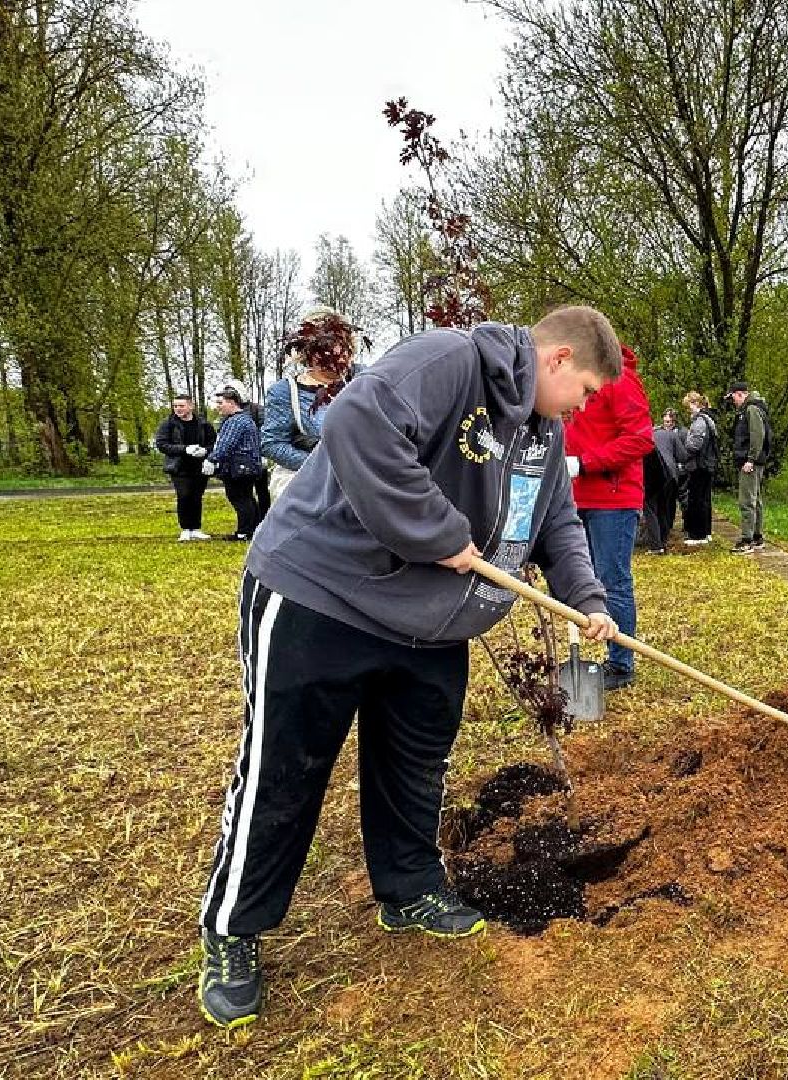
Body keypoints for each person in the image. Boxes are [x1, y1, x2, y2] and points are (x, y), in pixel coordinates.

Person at [194, 305, 623, 1029]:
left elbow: (555, 521)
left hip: (430, 628)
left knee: (415, 764)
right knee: (284, 769)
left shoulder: (543, 433)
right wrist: (436, 531)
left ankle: (409, 888)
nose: (583, 408)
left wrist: (586, 599)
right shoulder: (450, 361)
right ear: (556, 360)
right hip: (323, 598)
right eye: (584, 391)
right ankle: (234, 928)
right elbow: (357, 425)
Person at [565, 344, 654, 690]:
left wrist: (585, 463)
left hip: (614, 500)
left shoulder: (622, 380)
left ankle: (620, 663)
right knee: (578, 576)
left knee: (612, 580)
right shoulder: (573, 380)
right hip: (576, 497)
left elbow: (640, 439)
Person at [263, 306, 364, 498]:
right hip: (316, 489)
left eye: (342, 343)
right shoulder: (285, 392)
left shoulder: (365, 378)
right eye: (325, 347)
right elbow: (273, 443)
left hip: (365, 482)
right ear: (308, 351)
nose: (337, 352)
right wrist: (322, 464)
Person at [205, 387, 266, 541]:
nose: (218, 406)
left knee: (239, 498)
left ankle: (244, 532)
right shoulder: (244, 419)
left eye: (220, 403)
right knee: (247, 498)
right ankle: (253, 529)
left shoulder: (236, 421)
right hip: (248, 466)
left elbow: (226, 444)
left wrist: (212, 459)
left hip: (239, 467)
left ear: (232, 403)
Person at [154, 394, 216, 541]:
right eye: (175, 406)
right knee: (184, 495)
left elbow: (213, 443)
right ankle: (185, 529)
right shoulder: (168, 424)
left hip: (200, 466)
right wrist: (184, 449)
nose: (178, 409)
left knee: (196, 497)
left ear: (191, 406)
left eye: (181, 406)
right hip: (179, 467)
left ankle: (196, 528)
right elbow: (162, 444)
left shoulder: (204, 424)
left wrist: (205, 451)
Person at [727, 380, 771, 553]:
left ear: (740, 394)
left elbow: (757, 435)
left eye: (733, 398)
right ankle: (757, 536)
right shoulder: (753, 408)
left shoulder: (751, 409)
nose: (733, 402)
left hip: (750, 462)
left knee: (747, 500)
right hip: (754, 460)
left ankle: (747, 540)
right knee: (755, 499)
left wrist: (750, 460)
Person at [678, 391, 719, 546]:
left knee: (696, 499)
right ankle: (706, 532)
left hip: (698, 465)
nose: (688, 411)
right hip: (707, 464)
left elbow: (694, 445)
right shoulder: (708, 419)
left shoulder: (700, 421)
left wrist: (683, 450)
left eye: (688, 406)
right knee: (705, 499)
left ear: (695, 404)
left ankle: (697, 535)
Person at [643, 409, 683, 553]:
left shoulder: (644, 439)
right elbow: (682, 455)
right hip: (669, 476)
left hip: (651, 479)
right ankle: (664, 538)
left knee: (650, 510)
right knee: (664, 508)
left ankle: (656, 544)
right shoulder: (670, 435)